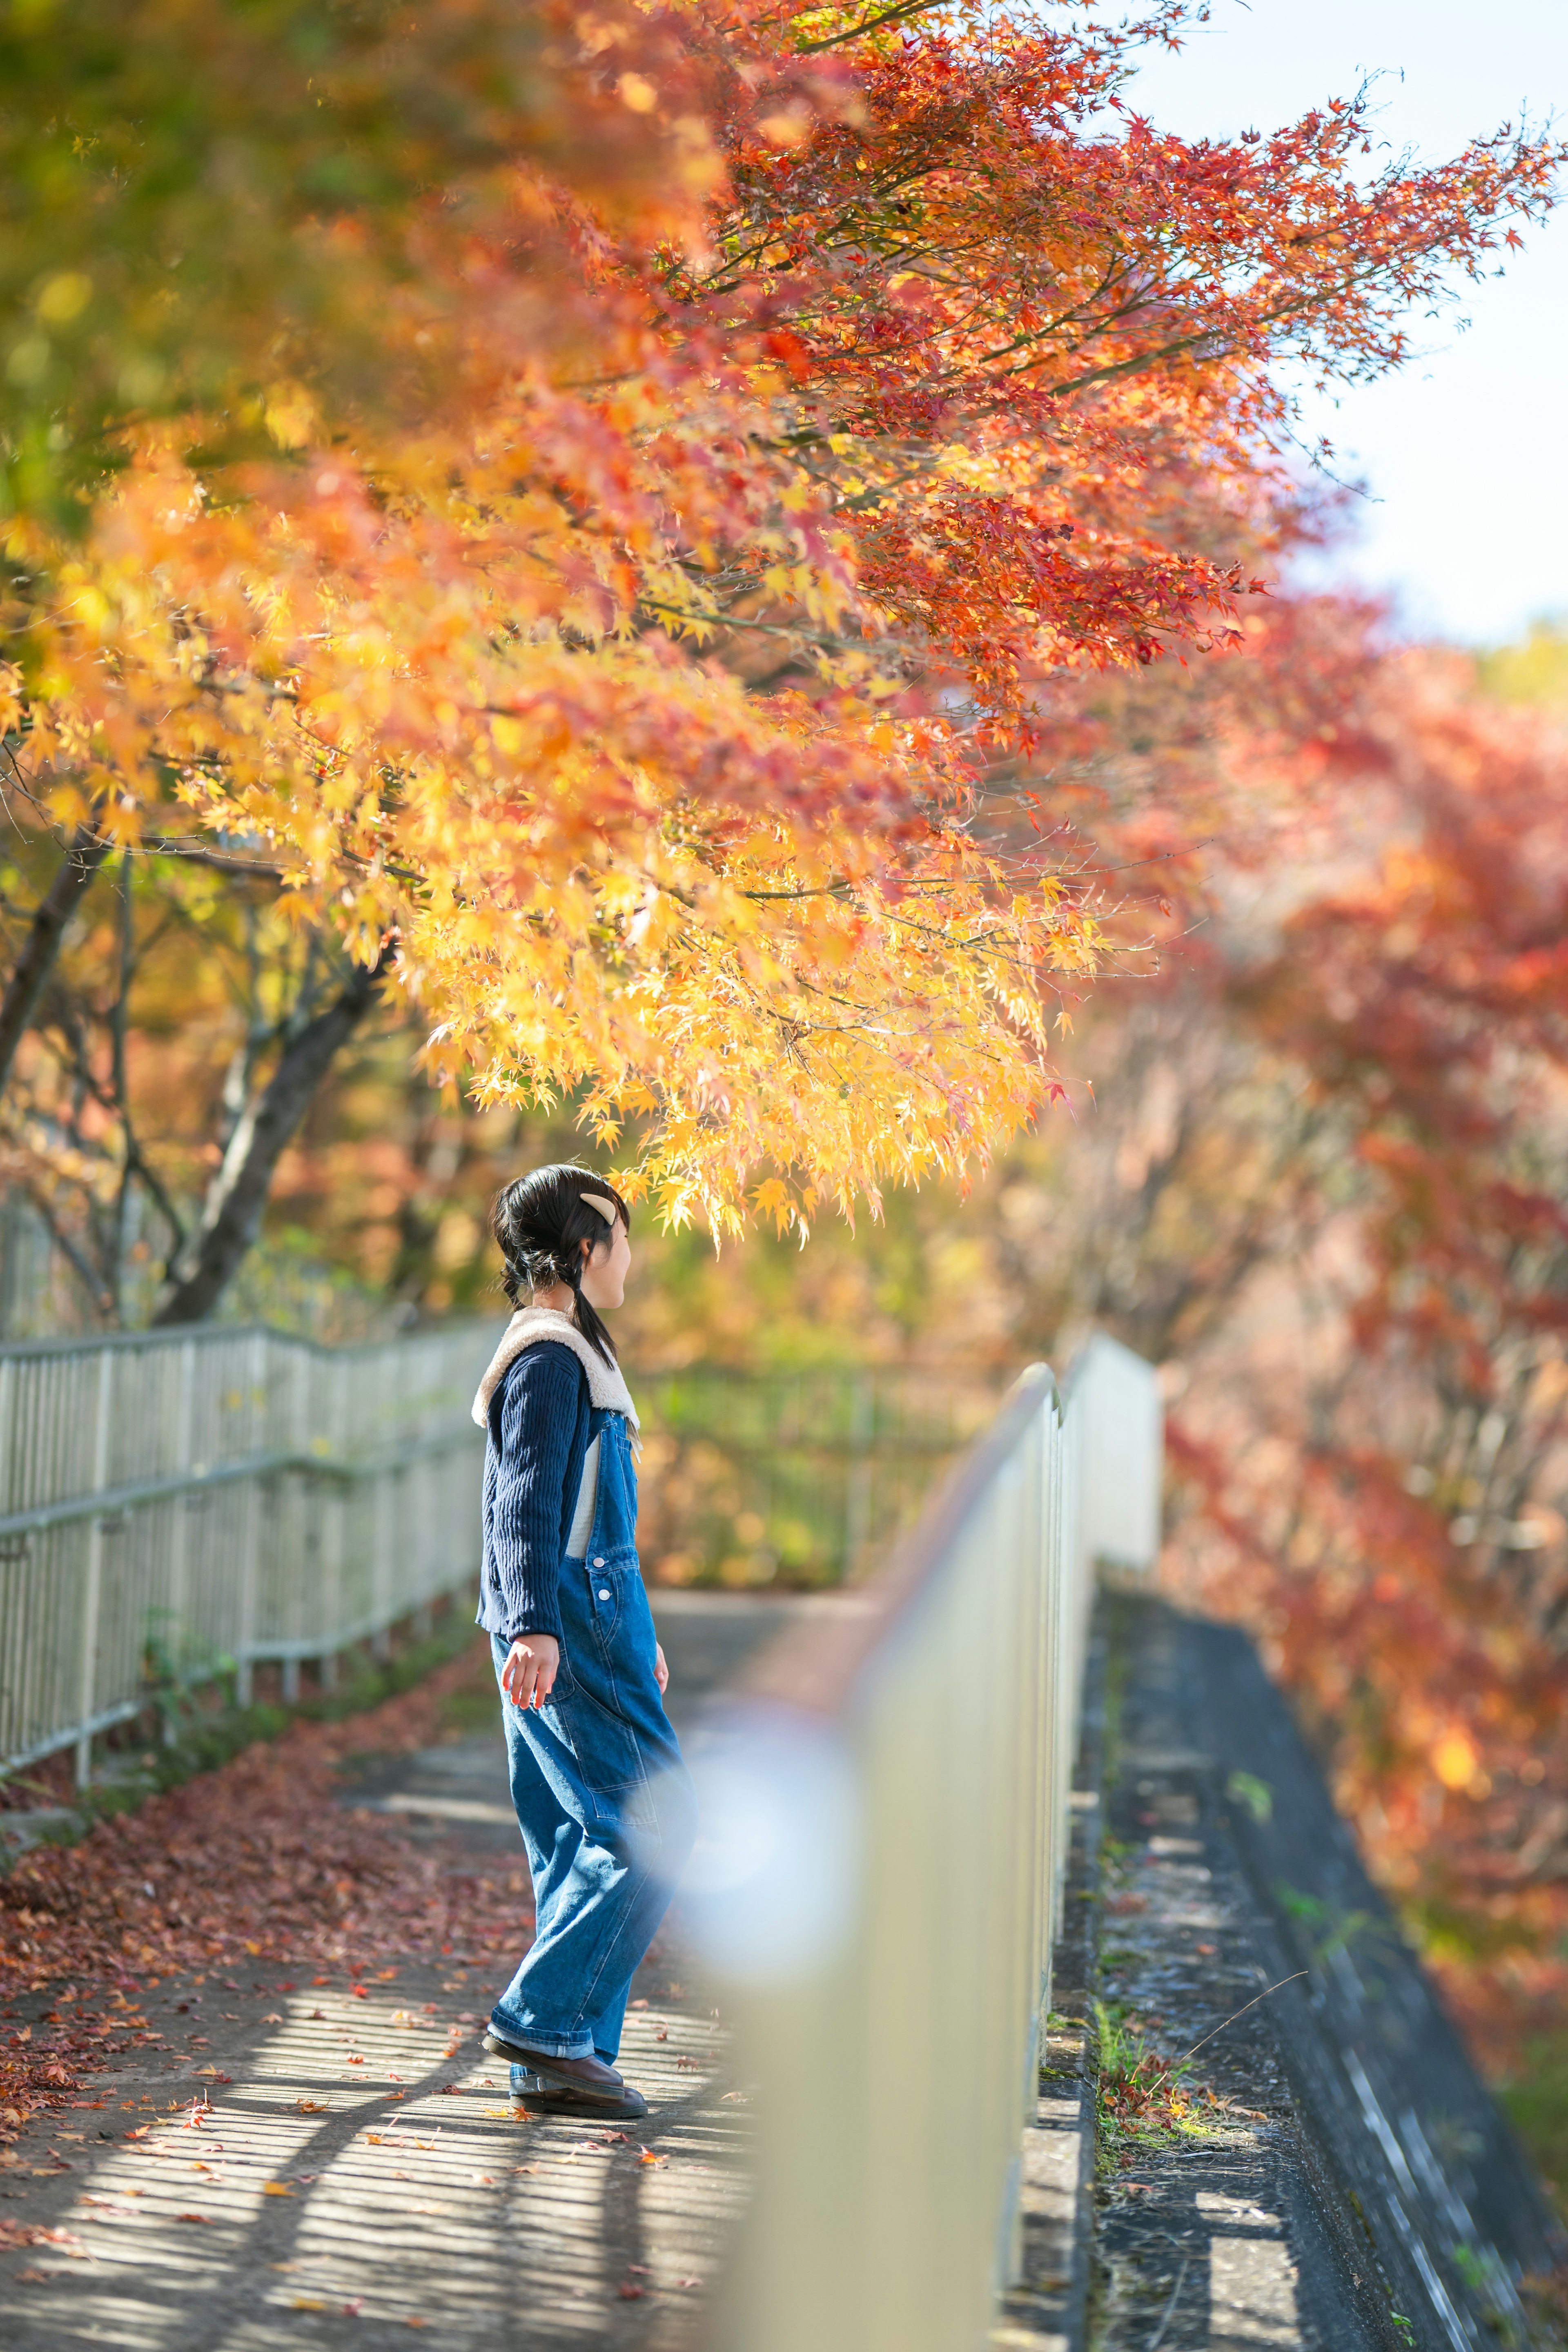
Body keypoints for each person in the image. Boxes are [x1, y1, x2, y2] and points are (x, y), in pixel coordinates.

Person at [471, 1163, 696, 2121]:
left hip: (583, 1623)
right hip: (560, 1623)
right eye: (621, 1234)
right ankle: (543, 2022)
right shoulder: (552, 1359)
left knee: (576, 1839)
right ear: (579, 1248)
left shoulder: (571, 1353)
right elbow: (523, 1508)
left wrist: (634, 1636)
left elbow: (590, 1522)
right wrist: (533, 1626)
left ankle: (560, 2060)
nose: (632, 1254)